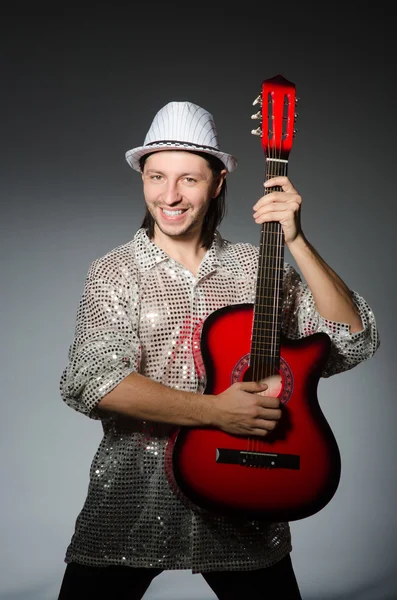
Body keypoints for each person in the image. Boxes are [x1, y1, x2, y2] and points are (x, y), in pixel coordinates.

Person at [57, 101, 379, 599]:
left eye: (189, 179)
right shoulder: (115, 271)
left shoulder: (260, 269)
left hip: (245, 498)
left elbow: (352, 340)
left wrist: (295, 240)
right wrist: (215, 413)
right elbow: (92, 380)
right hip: (133, 500)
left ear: (219, 182)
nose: (170, 195)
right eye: (156, 176)